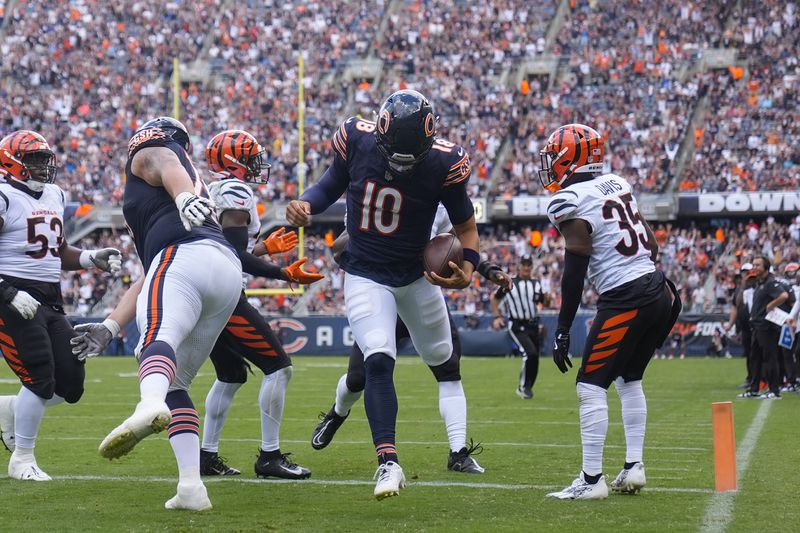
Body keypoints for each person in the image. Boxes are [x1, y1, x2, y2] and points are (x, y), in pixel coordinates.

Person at [286, 90, 480, 500]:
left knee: (446, 364)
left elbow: (466, 226)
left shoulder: (446, 163)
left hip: (416, 277)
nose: (401, 165)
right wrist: (304, 204)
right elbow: (328, 186)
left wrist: (469, 269)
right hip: (367, 274)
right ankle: (388, 462)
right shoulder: (357, 138)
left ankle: (459, 449)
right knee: (376, 361)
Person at [73, 117, 244, 511]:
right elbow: (153, 277)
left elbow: (164, 160)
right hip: (223, 272)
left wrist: (183, 197)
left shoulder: (156, 154)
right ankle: (191, 489)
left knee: (155, 343)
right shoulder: (168, 195)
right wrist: (111, 325)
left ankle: (147, 404)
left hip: (185, 256)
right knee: (176, 383)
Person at [311, 205, 511, 474]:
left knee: (449, 368)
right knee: (358, 378)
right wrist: (361, 244)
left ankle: (458, 452)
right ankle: (338, 412)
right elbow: (341, 247)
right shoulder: (375, 189)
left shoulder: (435, 194)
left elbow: (458, 239)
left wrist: (486, 268)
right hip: (383, 298)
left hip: (420, 294)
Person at [538, 124, 681, 500]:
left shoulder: (569, 200)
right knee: (629, 378)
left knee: (590, 385)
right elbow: (649, 241)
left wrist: (563, 327)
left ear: (571, 156)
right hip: (659, 288)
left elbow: (575, 271)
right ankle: (633, 467)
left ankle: (591, 481)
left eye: (555, 155)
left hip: (627, 296)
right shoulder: (616, 183)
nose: (551, 163)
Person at [0, 130, 121, 480]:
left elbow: (56, 250)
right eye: (33, 160)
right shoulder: (5, 197)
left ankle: (11, 407)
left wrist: (90, 257)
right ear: (11, 162)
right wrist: (6, 292)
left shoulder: (54, 193)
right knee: (39, 376)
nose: (42, 167)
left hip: (49, 298)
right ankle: (22, 459)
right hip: (13, 299)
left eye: (43, 159)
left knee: (70, 383)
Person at [200, 129, 321, 479]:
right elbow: (234, 255)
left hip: (208, 292)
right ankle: (269, 456)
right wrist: (283, 274)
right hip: (223, 297)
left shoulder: (212, 190)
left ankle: (206, 456)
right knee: (279, 368)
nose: (257, 164)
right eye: (251, 158)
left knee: (231, 374)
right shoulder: (235, 191)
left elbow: (227, 251)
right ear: (233, 161)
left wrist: (263, 249)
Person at [491, 254, 547, 399]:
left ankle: (528, 387)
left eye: (529, 264)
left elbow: (543, 303)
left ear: (532, 266)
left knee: (535, 358)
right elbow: (495, 298)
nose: (526, 267)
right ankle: (523, 387)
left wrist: (548, 299)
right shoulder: (510, 282)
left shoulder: (536, 284)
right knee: (530, 353)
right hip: (517, 324)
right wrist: (497, 317)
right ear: (519, 266)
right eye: (524, 264)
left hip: (533, 324)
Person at [738, 256, 789, 399]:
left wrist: (771, 305)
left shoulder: (770, 283)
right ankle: (754, 389)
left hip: (766, 328)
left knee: (770, 358)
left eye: (758, 265)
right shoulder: (759, 283)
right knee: (755, 359)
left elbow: (784, 295)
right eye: (754, 265)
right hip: (756, 327)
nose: (755, 267)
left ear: (766, 268)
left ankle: (774, 390)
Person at [724, 263, 756, 387]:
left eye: (747, 271)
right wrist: (730, 324)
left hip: (757, 325)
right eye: (743, 272)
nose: (745, 274)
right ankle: (751, 378)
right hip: (745, 326)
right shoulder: (740, 288)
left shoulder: (756, 285)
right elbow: (735, 306)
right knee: (748, 353)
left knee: (758, 353)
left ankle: (762, 379)